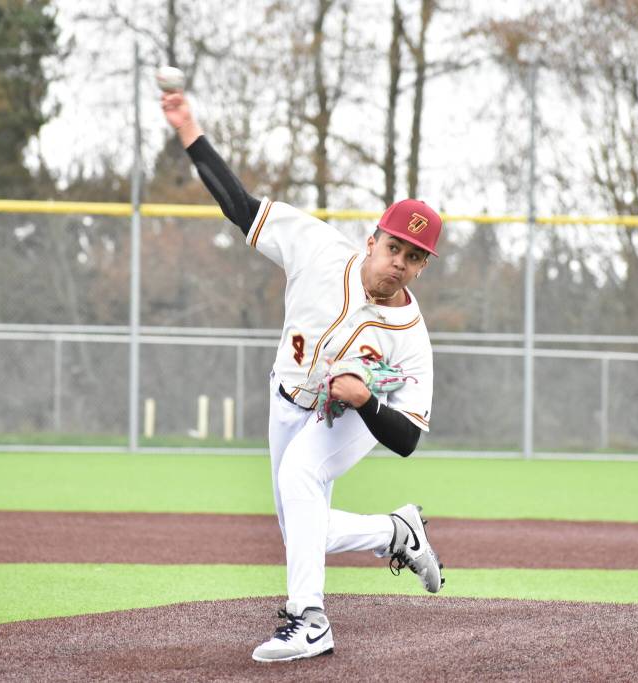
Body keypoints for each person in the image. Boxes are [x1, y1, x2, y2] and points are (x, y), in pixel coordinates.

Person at [161, 87, 444, 663]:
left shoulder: (410, 339)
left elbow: (408, 439)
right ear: (373, 240)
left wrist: (365, 402)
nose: (401, 263)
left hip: (353, 417)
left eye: (415, 257)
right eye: (395, 246)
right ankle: (397, 533)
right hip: (286, 399)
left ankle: (309, 621)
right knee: (300, 535)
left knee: (300, 479)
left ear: (422, 266)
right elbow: (241, 206)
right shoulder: (318, 249)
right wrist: (190, 129)